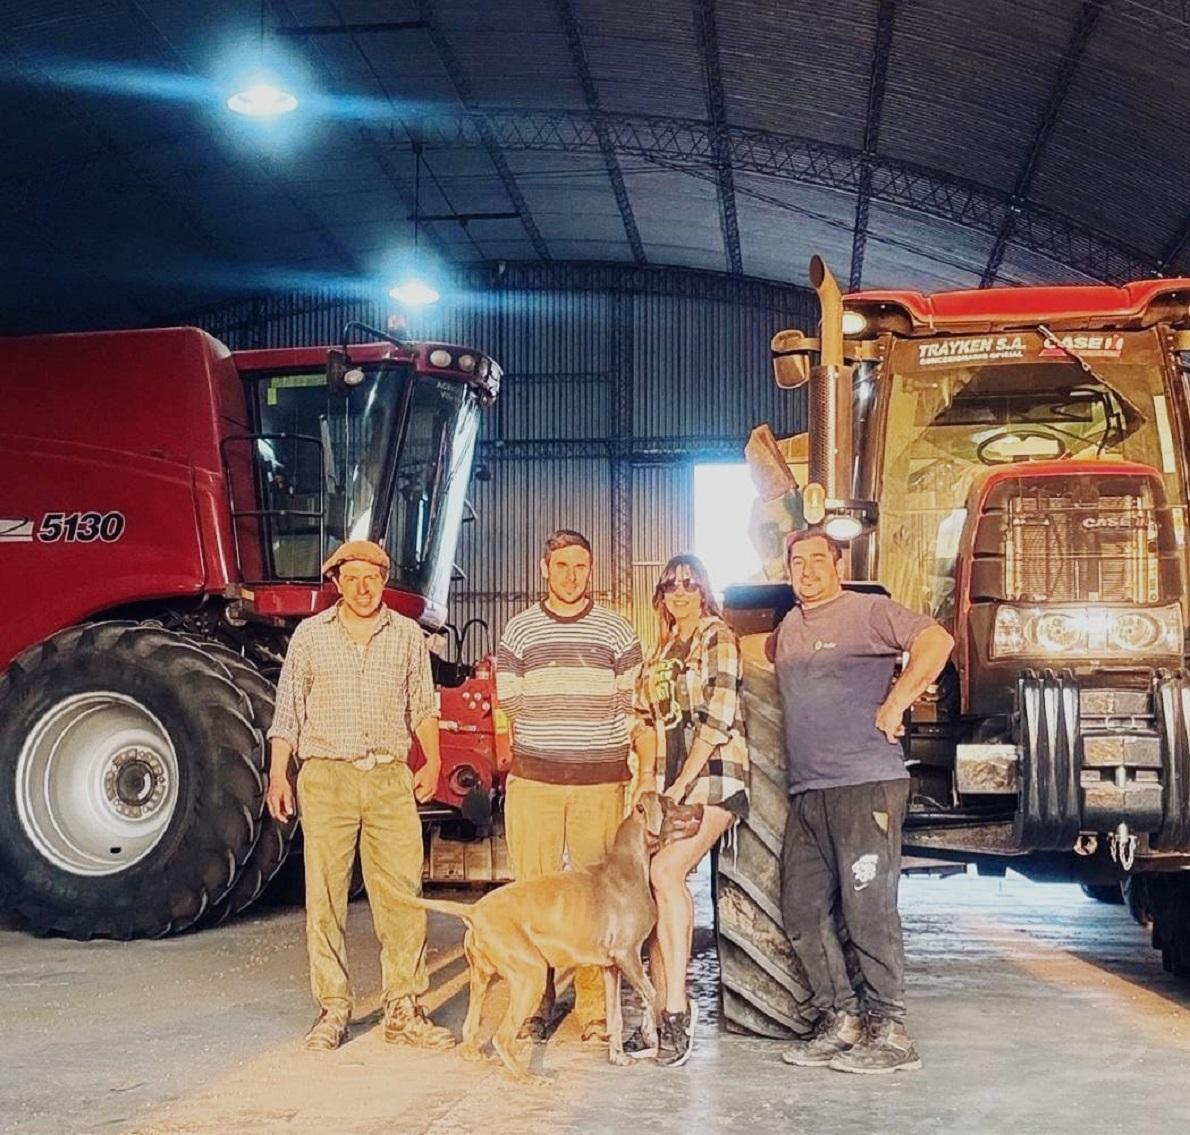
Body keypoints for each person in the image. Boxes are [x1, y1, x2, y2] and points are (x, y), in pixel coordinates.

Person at [771, 529, 953, 1075]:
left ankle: (891, 1031)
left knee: (868, 910)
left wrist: (898, 700)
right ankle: (841, 1020)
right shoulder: (787, 627)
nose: (806, 571)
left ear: (838, 563)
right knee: (801, 910)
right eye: (796, 562)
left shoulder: (867, 611)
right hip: (808, 792)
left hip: (865, 784)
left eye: (816, 560)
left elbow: (936, 641)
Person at [265, 539, 454, 1053]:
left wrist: (431, 760)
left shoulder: (408, 636)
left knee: (401, 895)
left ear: (384, 580)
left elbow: (423, 705)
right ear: (337, 582)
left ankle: (404, 1006)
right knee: (324, 897)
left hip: (390, 778)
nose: (364, 587)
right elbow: (287, 714)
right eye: (353, 578)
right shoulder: (309, 636)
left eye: (372, 577)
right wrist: (279, 775)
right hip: (326, 778)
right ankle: (333, 1009)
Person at [495, 529, 643, 1043]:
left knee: (594, 898)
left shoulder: (617, 632)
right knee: (532, 891)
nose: (571, 576)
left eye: (580, 566)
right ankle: (535, 1002)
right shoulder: (519, 632)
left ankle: (595, 1010)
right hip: (534, 781)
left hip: (599, 783)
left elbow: (631, 701)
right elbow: (508, 700)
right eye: (561, 566)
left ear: (592, 569)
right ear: (544, 568)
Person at [627, 554, 748, 1067]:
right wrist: (645, 784)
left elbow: (718, 718)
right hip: (668, 783)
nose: (681, 591)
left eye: (690, 583)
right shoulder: (658, 654)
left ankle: (678, 1009)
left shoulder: (716, 636)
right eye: (671, 584)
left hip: (715, 776)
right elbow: (647, 723)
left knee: (667, 870)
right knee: (648, 883)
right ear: (661, 595)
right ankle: (657, 1010)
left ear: (703, 591)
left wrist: (680, 783)